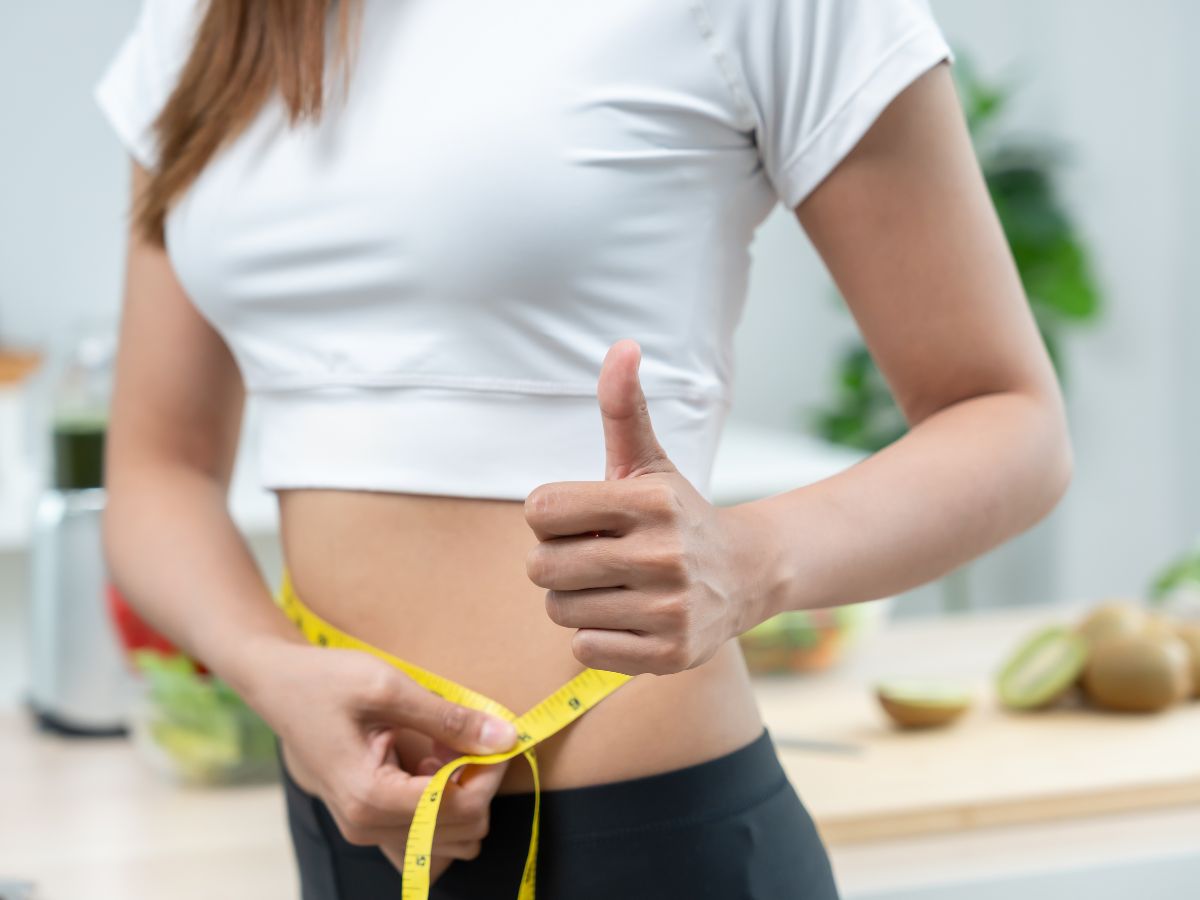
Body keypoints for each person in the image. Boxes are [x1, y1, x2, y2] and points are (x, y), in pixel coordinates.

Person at [95, 1, 1072, 897]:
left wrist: (752, 563)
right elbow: (157, 470)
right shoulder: (206, 20)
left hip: (650, 841)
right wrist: (268, 671)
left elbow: (1012, 420)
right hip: (346, 832)